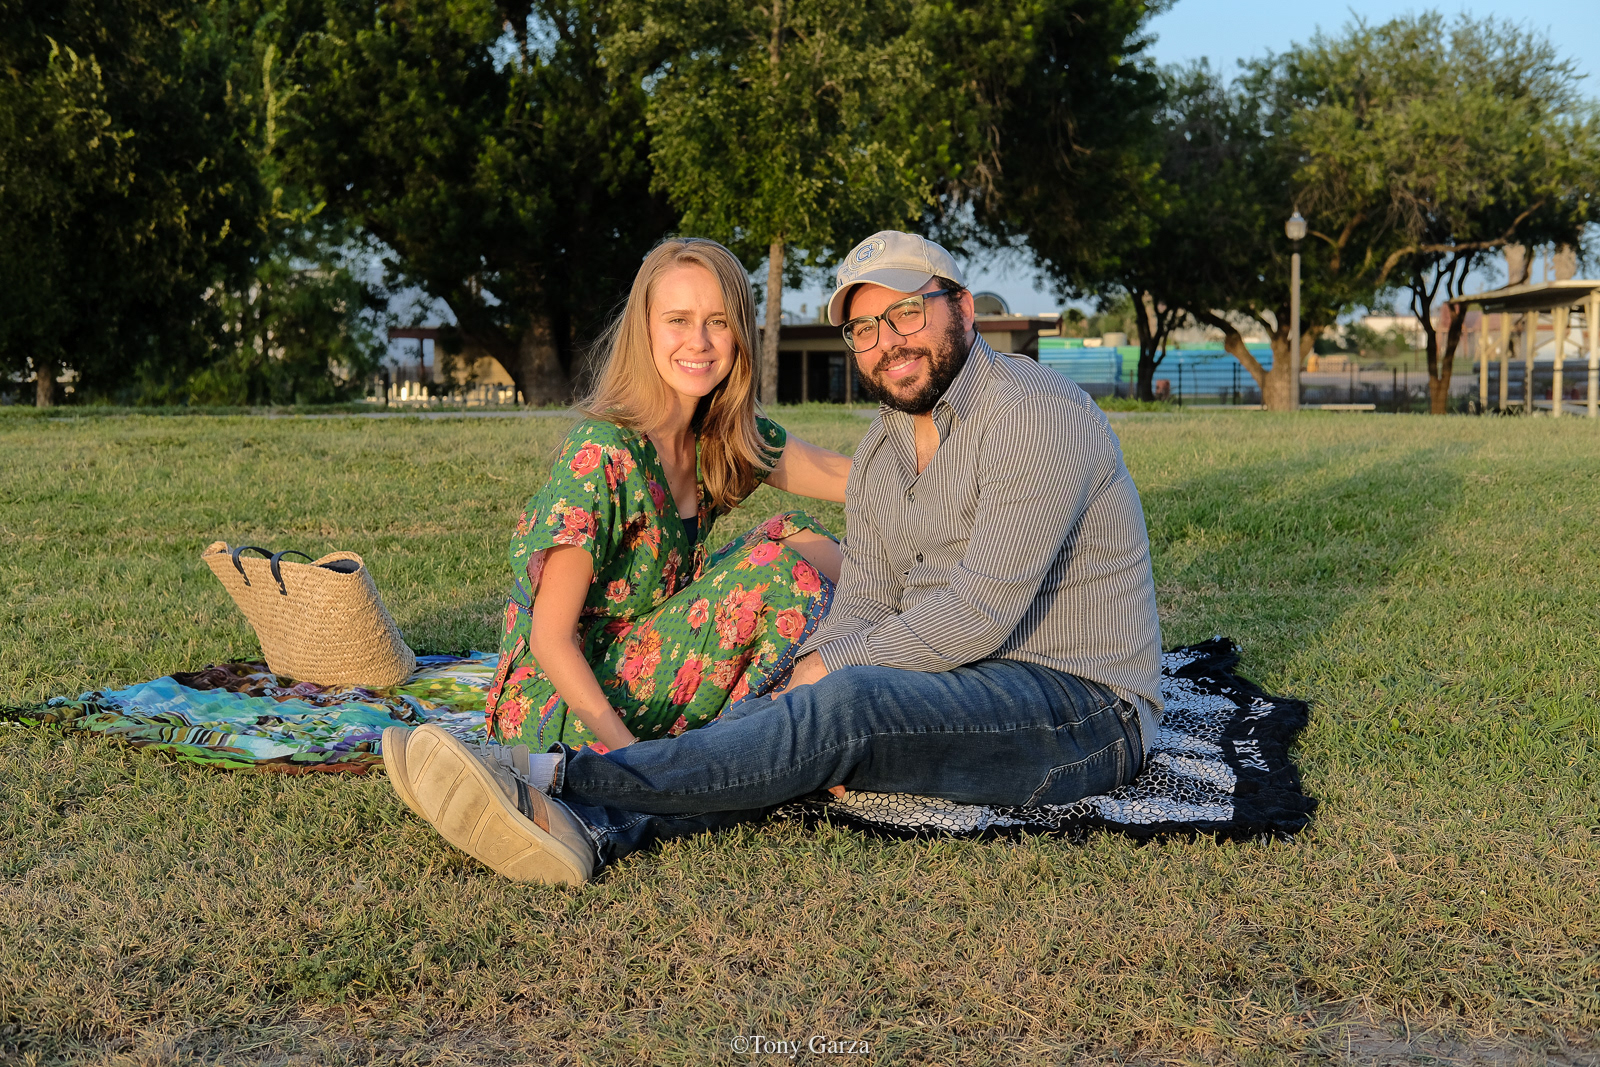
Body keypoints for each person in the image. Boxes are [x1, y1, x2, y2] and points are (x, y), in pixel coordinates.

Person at [387, 230, 1163, 885]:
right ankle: (590, 832)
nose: (889, 340)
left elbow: (976, 613)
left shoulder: (1036, 413)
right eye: (866, 328)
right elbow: (863, 600)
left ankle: (550, 776)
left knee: (843, 699)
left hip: (1079, 706)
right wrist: (810, 674)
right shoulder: (886, 450)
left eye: (906, 312)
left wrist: (826, 673)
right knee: (800, 707)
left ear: (960, 306)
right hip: (957, 682)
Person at [479, 237, 850, 758]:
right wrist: (638, 762)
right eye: (678, 320)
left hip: (647, 663)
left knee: (798, 536)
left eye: (718, 321)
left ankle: (895, 671)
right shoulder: (604, 451)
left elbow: (854, 479)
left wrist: (961, 465)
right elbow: (549, 641)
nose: (698, 341)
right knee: (774, 572)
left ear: (740, 333)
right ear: (645, 330)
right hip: (564, 708)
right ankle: (774, 743)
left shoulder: (720, 434)